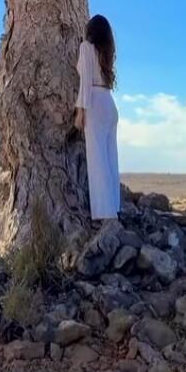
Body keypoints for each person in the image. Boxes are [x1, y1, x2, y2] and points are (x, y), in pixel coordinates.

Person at [74, 14, 120, 222]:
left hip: (94, 102)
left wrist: (80, 110)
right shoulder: (105, 53)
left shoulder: (85, 47)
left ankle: (104, 212)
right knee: (110, 159)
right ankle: (114, 207)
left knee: (97, 160)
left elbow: (84, 82)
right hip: (109, 103)